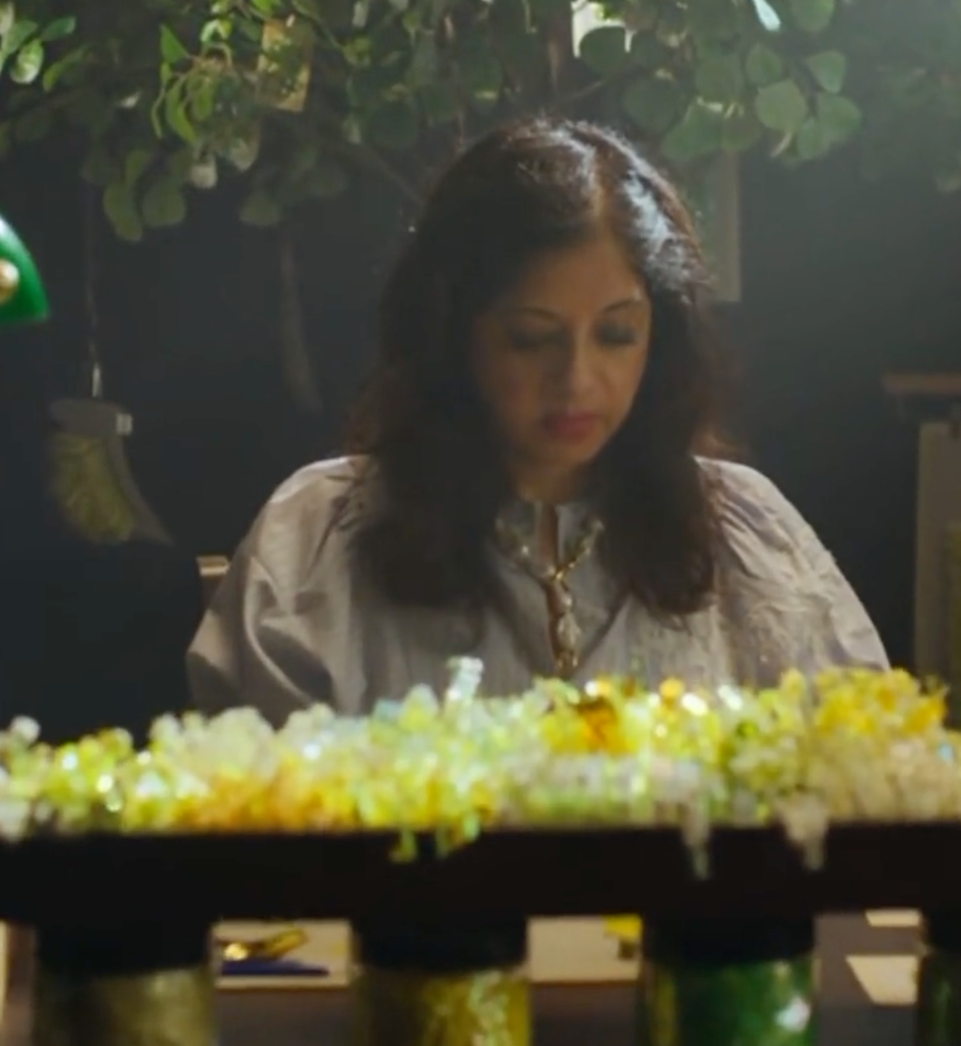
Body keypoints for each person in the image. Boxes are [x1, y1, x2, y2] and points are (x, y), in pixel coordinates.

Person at [186, 117, 886, 724]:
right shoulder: (321, 539)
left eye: (616, 335)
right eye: (531, 338)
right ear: (452, 333)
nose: (577, 380)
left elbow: (863, 786)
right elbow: (259, 836)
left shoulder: (743, 533)